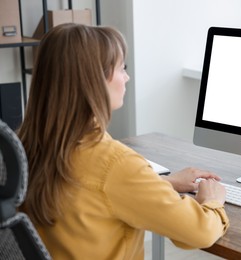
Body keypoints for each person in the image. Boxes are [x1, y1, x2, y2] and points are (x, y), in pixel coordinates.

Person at [17, 23, 229, 260]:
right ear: (94, 80)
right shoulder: (116, 164)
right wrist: (212, 201)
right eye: (121, 68)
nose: (127, 77)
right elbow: (197, 232)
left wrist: (163, 183)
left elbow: (91, 195)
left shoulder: (23, 145)